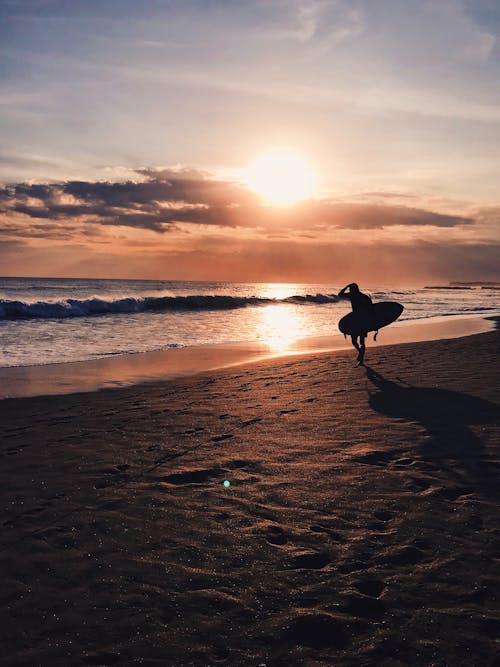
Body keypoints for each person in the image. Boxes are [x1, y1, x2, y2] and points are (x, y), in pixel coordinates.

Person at [338, 283, 378, 366]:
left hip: (356, 321)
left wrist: (345, 287)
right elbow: (371, 309)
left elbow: (340, 294)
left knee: (355, 341)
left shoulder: (352, 295)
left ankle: (361, 356)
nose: (350, 291)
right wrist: (373, 322)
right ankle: (361, 355)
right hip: (363, 320)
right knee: (361, 342)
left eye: (350, 289)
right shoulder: (364, 296)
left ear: (353, 290)